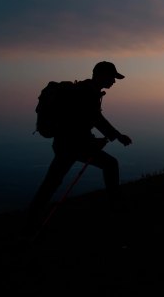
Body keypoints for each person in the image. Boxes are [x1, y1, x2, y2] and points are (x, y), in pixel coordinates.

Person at [24, 61, 133, 233]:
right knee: (109, 165)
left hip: (67, 143)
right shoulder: (87, 93)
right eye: (112, 77)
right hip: (71, 144)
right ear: (101, 75)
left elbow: (85, 121)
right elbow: (92, 121)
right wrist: (115, 137)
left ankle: (32, 217)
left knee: (52, 181)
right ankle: (116, 206)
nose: (114, 81)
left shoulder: (87, 91)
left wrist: (99, 139)